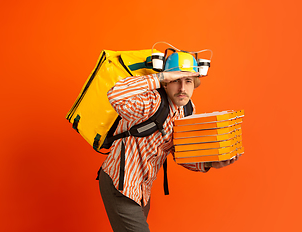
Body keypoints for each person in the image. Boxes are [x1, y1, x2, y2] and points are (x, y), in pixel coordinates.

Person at [98, 52, 240, 232]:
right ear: (166, 82)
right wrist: (160, 76)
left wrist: (211, 163)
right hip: (120, 183)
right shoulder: (151, 102)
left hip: (142, 190)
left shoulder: (187, 110)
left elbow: (182, 152)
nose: (182, 88)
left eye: (188, 80)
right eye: (176, 80)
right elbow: (115, 94)